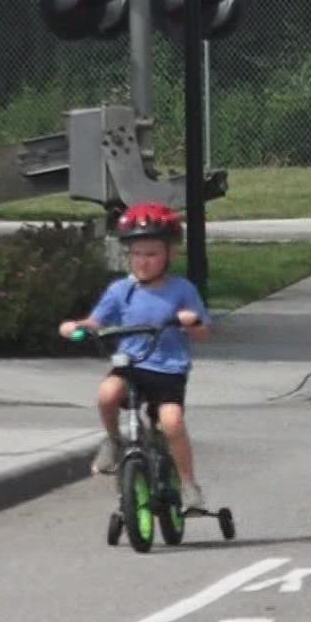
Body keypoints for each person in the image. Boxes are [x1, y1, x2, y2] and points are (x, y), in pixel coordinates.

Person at [59, 204, 213, 511]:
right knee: (107, 394)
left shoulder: (181, 289)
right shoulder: (121, 290)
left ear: (169, 255)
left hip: (168, 369)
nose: (143, 261)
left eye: (153, 254)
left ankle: (188, 485)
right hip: (131, 365)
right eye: (137, 253)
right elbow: (97, 321)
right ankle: (114, 440)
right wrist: (77, 327)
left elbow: (203, 332)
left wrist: (191, 322)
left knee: (171, 423)